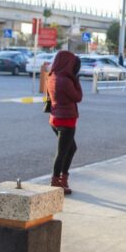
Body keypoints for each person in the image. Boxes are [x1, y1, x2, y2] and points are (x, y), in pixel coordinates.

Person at [46, 50, 82, 195]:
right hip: (66, 120)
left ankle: (62, 179)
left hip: (55, 119)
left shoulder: (52, 76)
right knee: (62, 152)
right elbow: (78, 97)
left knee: (71, 148)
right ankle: (56, 181)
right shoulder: (66, 80)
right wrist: (76, 80)